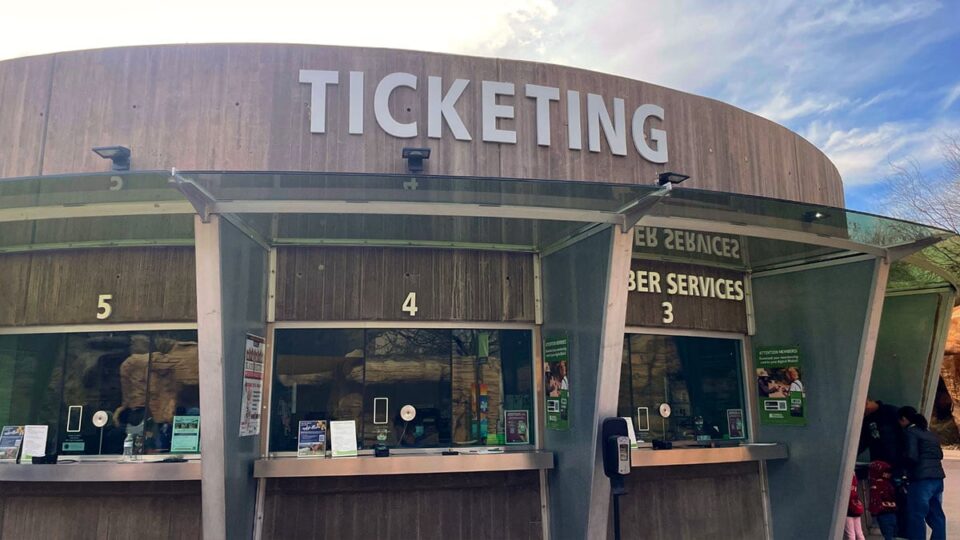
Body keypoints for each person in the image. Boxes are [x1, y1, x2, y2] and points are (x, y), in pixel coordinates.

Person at [898, 406, 946, 540]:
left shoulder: (910, 432)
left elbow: (911, 456)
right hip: (937, 478)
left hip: (921, 479)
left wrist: (902, 469)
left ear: (904, 419)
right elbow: (940, 454)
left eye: (900, 422)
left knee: (916, 515)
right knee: (937, 515)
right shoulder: (930, 434)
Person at [868, 460, 898, 540]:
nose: (888, 475)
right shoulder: (889, 484)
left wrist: (874, 511)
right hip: (891, 513)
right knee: (892, 535)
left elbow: (874, 500)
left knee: (887, 535)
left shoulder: (876, 485)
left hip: (883, 514)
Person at [845, 475, 866, 540]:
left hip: (848, 511)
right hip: (856, 509)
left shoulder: (846, 484)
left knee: (851, 534)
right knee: (859, 533)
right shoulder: (854, 481)